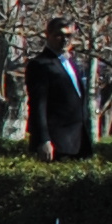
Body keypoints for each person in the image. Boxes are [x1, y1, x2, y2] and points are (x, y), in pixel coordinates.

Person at [26, 20, 91, 161]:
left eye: (69, 36)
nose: (65, 40)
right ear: (48, 35)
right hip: (57, 143)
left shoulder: (70, 63)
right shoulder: (40, 64)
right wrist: (44, 140)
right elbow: (38, 105)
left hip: (78, 141)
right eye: (59, 35)